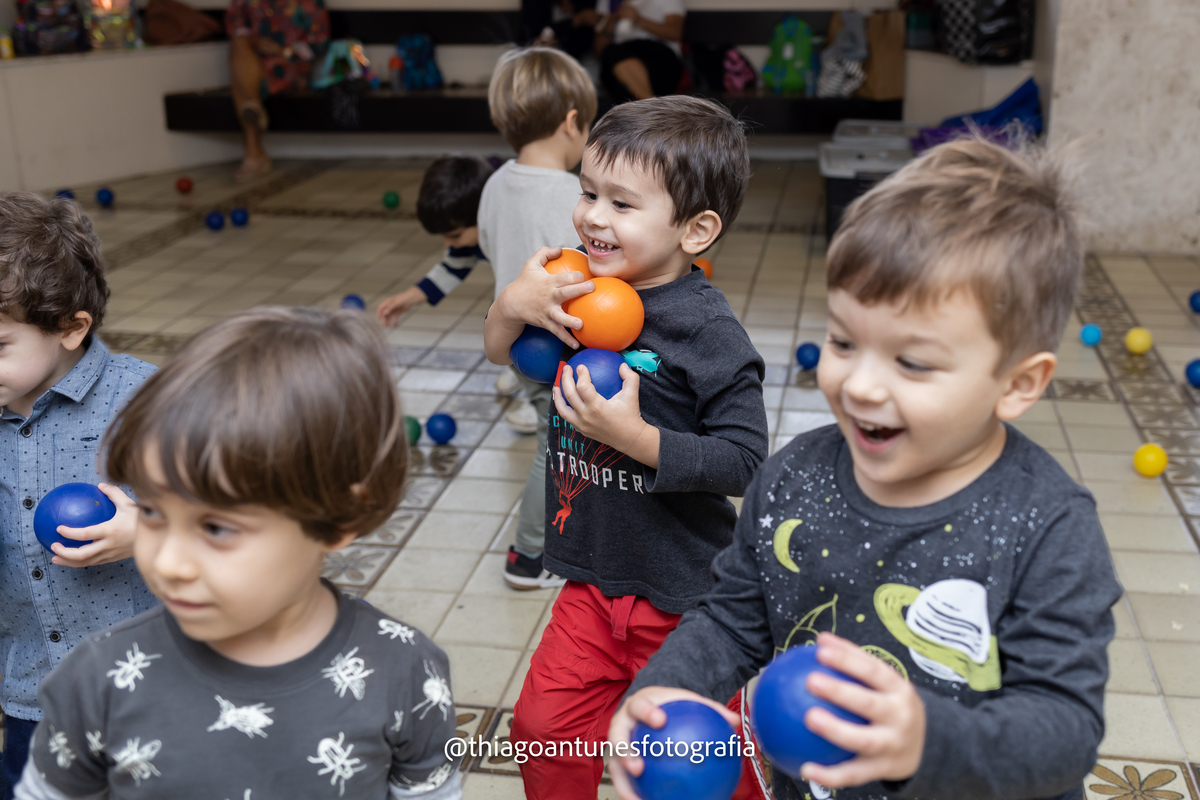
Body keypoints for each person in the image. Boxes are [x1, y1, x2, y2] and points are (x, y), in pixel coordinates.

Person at [608, 140, 1124, 800]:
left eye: (912, 362)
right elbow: (733, 619)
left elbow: (1065, 732)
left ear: (1018, 383)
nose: (861, 386)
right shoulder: (793, 478)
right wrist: (663, 689)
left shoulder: (1048, 526)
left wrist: (924, 741)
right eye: (845, 341)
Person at [14, 307, 462, 800]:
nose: (167, 563)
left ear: (340, 519)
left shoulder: (404, 671)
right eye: (155, 513)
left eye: (216, 528)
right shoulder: (97, 676)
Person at [482, 95, 770, 800]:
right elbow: (505, 353)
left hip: (687, 597)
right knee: (543, 731)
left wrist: (636, 439)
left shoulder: (709, 333)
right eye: (587, 193)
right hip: (592, 579)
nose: (592, 217)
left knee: (697, 760)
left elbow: (746, 462)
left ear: (696, 229)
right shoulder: (574, 288)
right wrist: (511, 306)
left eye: (622, 203)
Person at [0, 193, 157, 800]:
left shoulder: (144, 403)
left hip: (149, 693)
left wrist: (148, 530)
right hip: (32, 700)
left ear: (71, 327)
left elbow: (231, 516)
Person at [476, 47, 599, 589]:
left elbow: (489, 247)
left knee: (557, 437)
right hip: (554, 348)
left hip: (514, 342)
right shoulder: (571, 195)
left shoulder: (496, 182)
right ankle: (528, 556)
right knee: (554, 448)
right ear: (572, 122)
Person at [376, 154, 493, 323]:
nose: (448, 244)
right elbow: (452, 269)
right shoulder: (471, 234)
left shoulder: (513, 236)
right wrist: (408, 298)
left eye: (455, 235)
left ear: (485, 214)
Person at [225, 0, 330, 181]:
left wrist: (284, 50)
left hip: (291, 63)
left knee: (241, 76)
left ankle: (254, 151)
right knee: (239, 45)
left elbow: (319, 42)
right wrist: (255, 42)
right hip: (254, 57)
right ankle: (253, 107)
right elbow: (234, 24)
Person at [595, 0, 685, 101]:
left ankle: (650, 104)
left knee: (623, 87)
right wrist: (611, 19)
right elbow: (600, 51)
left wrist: (638, 20)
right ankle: (652, 105)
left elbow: (676, 33)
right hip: (619, 56)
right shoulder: (609, 3)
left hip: (658, 54)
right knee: (612, 55)